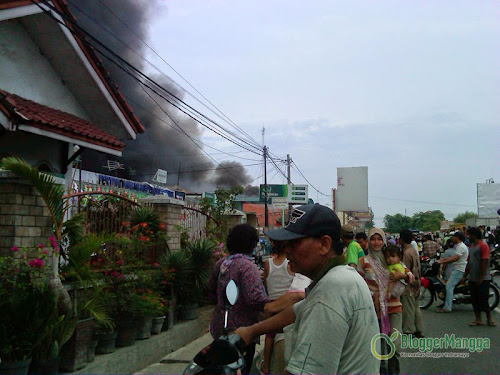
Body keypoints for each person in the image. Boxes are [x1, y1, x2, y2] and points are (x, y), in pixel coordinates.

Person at [234, 203, 380, 375]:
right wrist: (251, 331)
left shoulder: (330, 291)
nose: (286, 250)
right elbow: (296, 312)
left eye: (294, 243)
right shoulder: (341, 277)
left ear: (324, 244)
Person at [207, 224, 303, 375]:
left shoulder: (222, 264)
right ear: (251, 244)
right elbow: (255, 298)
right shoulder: (246, 266)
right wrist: (271, 306)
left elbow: (211, 291)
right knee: (240, 367)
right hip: (242, 328)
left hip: (220, 325)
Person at [358, 228, 411, 375]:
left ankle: (394, 371)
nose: (376, 242)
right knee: (378, 346)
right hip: (373, 309)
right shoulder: (363, 261)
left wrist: (402, 275)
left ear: (384, 240)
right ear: (369, 241)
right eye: (373, 239)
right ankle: (380, 371)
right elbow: (357, 283)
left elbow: (409, 275)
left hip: (393, 308)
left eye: (379, 239)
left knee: (394, 344)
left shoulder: (392, 258)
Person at [462, 227, 496, 326]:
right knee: (474, 300)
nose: (468, 237)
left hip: (483, 278)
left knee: (483, 299)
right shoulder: (472, 247)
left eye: (469, 235)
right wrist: (465, 276)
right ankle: (478, 319)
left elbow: (485, 261)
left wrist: (480, 277)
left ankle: (489, 318)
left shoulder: (483, 246)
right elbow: (469, 263)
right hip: (472, 278)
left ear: (474, 235)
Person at [435, 231, 469, 313]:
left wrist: (441, 262)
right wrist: (441, 260)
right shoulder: (459, 246)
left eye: (453, 237)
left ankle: (447, 307)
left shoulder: (460, 246)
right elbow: (452, 257)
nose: (452, 238)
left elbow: (454, 258)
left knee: (449, 287)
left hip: (459, 269)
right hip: (457, 268)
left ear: (457, 237)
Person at [399, 229, 424, 337]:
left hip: (409, 283)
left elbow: (404, 270)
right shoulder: (413, 251)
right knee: (416, 307)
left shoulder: (406, 253)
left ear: (401, 239)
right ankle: (419, 329)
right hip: (417, 282)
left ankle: (408, 330)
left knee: (408, 308)